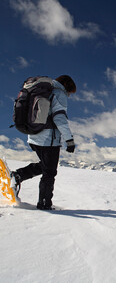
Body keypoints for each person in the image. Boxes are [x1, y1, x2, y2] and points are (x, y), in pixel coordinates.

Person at [11, 75, 76, 210]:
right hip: (48, 140)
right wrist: (69, 139)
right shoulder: (59, 93)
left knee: (45, 166)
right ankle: (45, 204)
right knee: (49, 172)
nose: (69, 94)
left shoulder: (43, 90)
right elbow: (59, 117)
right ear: (67, 86)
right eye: (70, 92)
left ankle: (18, 175)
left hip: (33, 136)